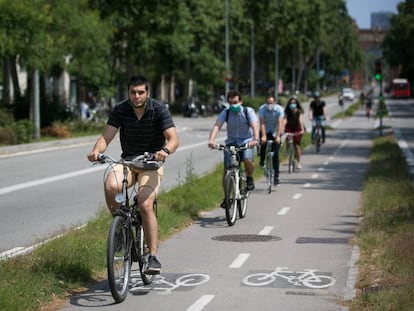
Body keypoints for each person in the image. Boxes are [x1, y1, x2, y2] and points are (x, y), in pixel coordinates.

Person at [87, 75, 179, 275]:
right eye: (133, 92)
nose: (136, 96)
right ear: (128, 93)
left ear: (147, 93)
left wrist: (165, 150)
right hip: (128, 161)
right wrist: (96, 151)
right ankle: (121, 230)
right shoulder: (121, 110)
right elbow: (107, 136)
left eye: (140, 92)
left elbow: (173, 138)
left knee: (145, 204)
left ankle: (152, 256)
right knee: (111, 185)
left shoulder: (159, 109)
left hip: (151, 165)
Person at [208, 90, 259, 199]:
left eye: (235, 102)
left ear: (241, 101)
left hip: (246, 141)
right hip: (231, 142)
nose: (233, 105)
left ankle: (249, 177)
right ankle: (227, 197)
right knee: (227, 170)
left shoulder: (247, 111)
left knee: (247, 160)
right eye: (231, 103)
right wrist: (211, 140)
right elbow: (217, 126)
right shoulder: (226, 112)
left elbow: (255, 125)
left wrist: (255, 139)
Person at [258, 95, 284, 185]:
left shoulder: (279, 109)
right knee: (263, 144)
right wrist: (264, 136)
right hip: (265, 130)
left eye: (271, 103)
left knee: (275, 155)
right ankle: (262, 159)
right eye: (268, 103)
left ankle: (276, 176)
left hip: (276, 131)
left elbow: (280, 123)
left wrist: (278, 136)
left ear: (275, 102)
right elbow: (262, 123)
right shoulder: (262, 109)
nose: (270, 105)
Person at [284, 97, 305, 169]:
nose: (292, 104)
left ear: (296, 104)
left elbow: (300, 120)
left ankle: (298, 162)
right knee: (287, 137)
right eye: (291, 103)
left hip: (297, 128)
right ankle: (287, 149)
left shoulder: (299, 111)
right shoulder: (287, 111)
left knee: (297, 145)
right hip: (289, 128)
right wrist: (282, 128)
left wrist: (302, 129)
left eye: (294, 103)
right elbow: (285, 120)